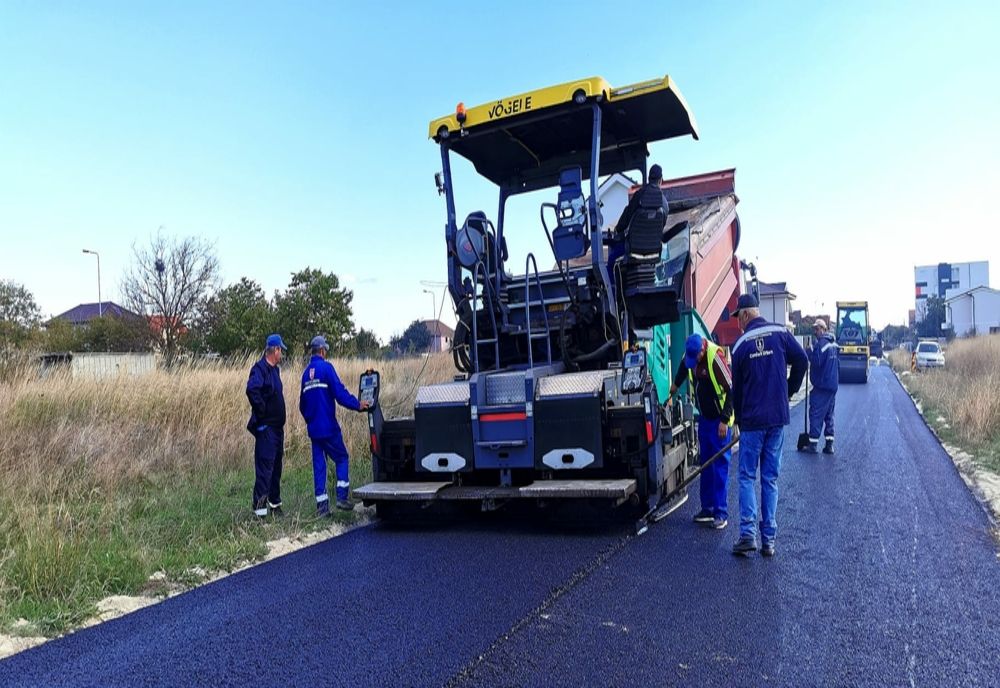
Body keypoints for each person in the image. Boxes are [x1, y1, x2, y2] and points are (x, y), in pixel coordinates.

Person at [729, 294, 808, 557]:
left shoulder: (740, 345)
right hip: (776, 419)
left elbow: (736, 391)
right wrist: (788, 392)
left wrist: (737, 420)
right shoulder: (780, 333)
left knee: (747, 476)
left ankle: (748, 534)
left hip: (752, 423)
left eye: (738, 318)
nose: (738, 324)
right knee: (770, 478)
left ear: (745, 315)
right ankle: (769, 540)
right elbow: (802, 361)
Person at [668, 333, 734, 530]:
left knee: (720, 465)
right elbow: (681, 371)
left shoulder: (715, 358)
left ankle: (720, 512)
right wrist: (672, 392)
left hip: (719, 421)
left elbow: (731, 389)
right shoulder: (690, 356)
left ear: (702, 351)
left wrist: (724, 419)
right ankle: (707, 508)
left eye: (695, 358)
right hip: (705, 419)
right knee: (705, 463)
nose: (693, 363)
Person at [299, 335, 371, 515]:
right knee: (342, 458)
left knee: (319, 466)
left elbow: (302, 404)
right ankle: (341, 498)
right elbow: (340, 394)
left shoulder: (306, 374)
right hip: (329, 428)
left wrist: (310, 420)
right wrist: (358, 405)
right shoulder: (326, 368)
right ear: (322, 351)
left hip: (314, 429)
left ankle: (322, 508)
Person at [246, 334, 287, 519]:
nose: (282, 355)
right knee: (265, 469)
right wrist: (263, 413)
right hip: (267, 430)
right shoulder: (259, 369)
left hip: (278, 429)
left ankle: (275, 505)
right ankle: (260, 511)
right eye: (281, 350)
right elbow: (252, 390)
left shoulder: (275, 371)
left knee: (276, 468)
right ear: (275, 349)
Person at [803, 319, 838, 455]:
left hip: (822, 386)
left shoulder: (821, 345)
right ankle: (829, 445)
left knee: (816, 413)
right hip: (832, 385)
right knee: (829, 415)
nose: (815, 332)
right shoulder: (833, 344)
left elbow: (816, 361)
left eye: (817, 329)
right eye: (814, 329)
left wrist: (809, 351)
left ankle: (812, 444)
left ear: (823, 329)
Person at [614, 163, 669, 238]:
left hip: (635, 245)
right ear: (660, 181)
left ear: (648, 179)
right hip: (655, 246)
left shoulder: (638, 195)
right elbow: (661, 225)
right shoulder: (664, 203)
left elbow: (627, 216)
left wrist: (618, 229)